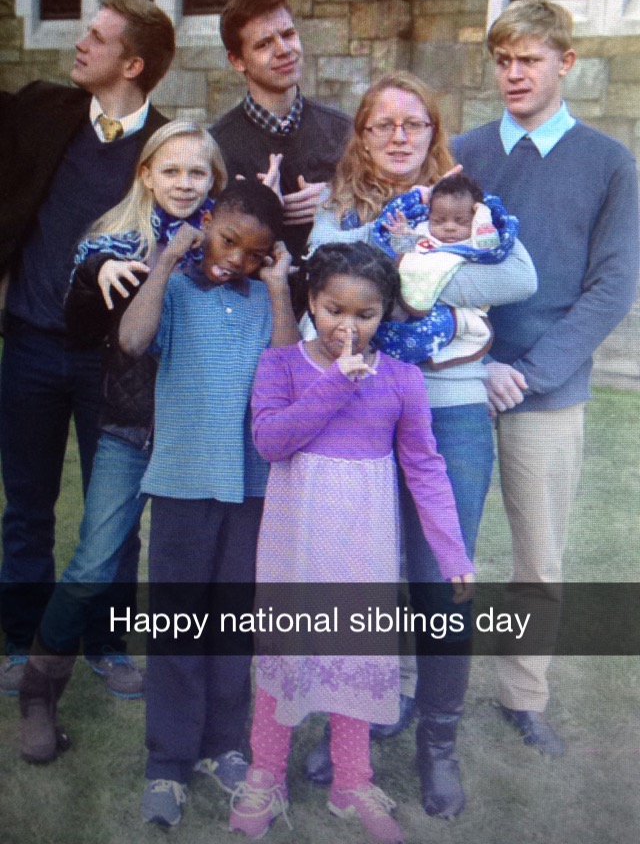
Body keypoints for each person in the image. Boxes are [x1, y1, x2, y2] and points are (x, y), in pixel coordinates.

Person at [305, 71, 537, 818]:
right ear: (363, 135)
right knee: (365, 580)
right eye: (383, 123)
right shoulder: (341, 211)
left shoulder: (464, 203)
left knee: (443, 582)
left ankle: (438, 742)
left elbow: (520, 276)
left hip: (453, 412)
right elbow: (322, 304)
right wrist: (437, 270)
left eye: (415, 123)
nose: (399, 136)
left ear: (434, 132)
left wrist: (404, 279)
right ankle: (354, 725)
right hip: (363, 415)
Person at [228, 242, 474, 844]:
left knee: (356, 654)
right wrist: (335, 383)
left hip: (363, 543)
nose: (348, 327)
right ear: (312, 301)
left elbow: (425, 470)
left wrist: (452, 554)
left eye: (365, 315)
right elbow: (271, 442)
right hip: (294, 543)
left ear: (385, 313)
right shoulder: (281, 366)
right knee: (284, 653)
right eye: (334, 310)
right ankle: (266, 774)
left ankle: (352, 781)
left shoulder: (402, 380)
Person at [452, 0, 640, 755]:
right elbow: (433, 267)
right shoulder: (463, 152)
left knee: (538, 557)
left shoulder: (609, 163)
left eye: (529, 59)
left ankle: (523, 695)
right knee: (439, 549)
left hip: (547, 390)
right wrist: (475, 361)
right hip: (457, 381)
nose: (514, 74)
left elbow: (612, 286)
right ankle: (415, 688)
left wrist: (527, 374)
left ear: (567, 63)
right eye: (503, 61)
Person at [17, 120, 227, 764]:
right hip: (132, 425)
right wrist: (99, 270)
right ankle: (39, 692)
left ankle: (203, 707)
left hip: (201, 430)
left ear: (214, 178)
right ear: (147, 175)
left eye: (197, 172)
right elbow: (85, 300)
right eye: (171, 170)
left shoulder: (228, 236)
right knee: (94, 558)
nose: (184, 183)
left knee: (196, 571)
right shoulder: (117, 240)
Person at [0, 0, 174, 697]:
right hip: (31, 349)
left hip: (116, 362)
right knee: (27, 506)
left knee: (117, 511)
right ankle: (21, 640)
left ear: (132, 64)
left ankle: (106, 642)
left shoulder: (166, 146)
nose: (80, 44)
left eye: (97, 38)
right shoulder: (44, 110)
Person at [118, 179, 299, 829]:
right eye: (227, 241)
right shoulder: (176, 290)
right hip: (182, 485)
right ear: (208, 222)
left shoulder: (263, 300)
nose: (236, 260)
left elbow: (288, 372)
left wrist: (277, 288)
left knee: (232, 624)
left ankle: (225, 744)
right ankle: (168, 759)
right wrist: (167, 259)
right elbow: (132, 340)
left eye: (255, 253)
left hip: (251, 487)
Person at [210, 0, 352, 270]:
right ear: (237, 60)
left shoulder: (345, 131)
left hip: (335, 286)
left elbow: (380, 212)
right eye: (264, 44)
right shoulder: (216, 146)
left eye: (288, 34)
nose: (284, 50)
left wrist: (339, 201)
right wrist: (260, 209)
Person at [372, 172, 518, 367]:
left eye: (461, 221)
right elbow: (403, 255)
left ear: (474, 218)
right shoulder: (423, 232)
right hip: (405, 304)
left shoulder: (475, 241)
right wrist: (401, 234)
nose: (449, 227)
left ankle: (406, 354)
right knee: (384, 322)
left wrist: (483, 217)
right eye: (439, 221)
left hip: (454, 311)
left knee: (427, 335)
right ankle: (385, 351)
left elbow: (490, 246)